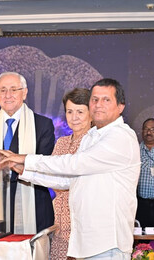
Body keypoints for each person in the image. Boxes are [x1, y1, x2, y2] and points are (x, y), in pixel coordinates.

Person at [0, 78, 141, 260]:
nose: (98, 105)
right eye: (95, 99)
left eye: (106, 100)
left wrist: (26, 158)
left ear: (120, 106)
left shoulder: (121, 136)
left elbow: (74, 164)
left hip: (108, 244)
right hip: (85, 243)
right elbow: (66, 180)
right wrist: (23, 170)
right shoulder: (92, 136)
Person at [0, 71, 55, 234]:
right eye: (3, 90)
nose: (8, 95)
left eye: (13, 89)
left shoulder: (42, 125)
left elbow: (43, 166)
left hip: (33, 203)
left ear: (24, 93)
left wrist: (14, 164)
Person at [51, 88, 92, 260]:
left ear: (91, 114)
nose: (74, 117)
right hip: (59, 223)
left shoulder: (95, 142)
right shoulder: (61, 142)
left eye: (80, 111)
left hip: (83, 223)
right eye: (69, 111)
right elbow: (51, 178)